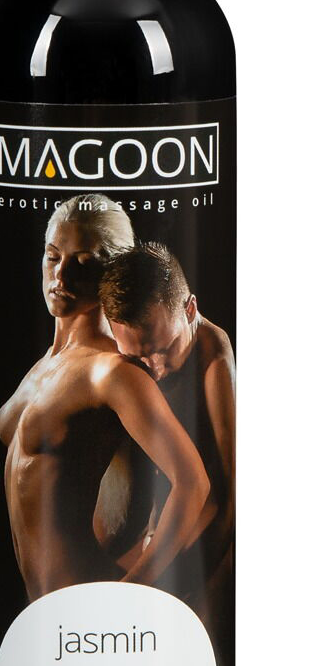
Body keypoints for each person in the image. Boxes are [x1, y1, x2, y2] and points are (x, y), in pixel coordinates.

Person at [0, 196, 211, 602]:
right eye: (52, 257)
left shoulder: (111, 371)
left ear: (110, 270)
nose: (60, 274)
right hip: (42, 609)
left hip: (87, 594)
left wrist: (129, 593)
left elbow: (193, 483)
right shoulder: (45, 366)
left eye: (82, 262)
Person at [98, 242, 235, 628]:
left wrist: (158, 584)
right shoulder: (118, 342)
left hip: (190, 551)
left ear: (190, 310)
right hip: (135, 548)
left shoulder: (213, 358)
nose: (155, 368)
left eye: (164, 349)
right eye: (138, 357)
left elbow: (230, 496)